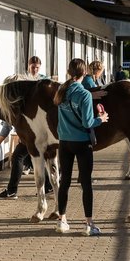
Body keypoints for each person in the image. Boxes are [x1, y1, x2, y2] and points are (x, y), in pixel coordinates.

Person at [54, 58, 106, 236]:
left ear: (69, 72)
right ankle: (88, 224)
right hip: (82, 143)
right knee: (86, 183)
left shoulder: (61, 91)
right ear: (84, 73)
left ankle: (62, 220)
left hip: (64, 143)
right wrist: (101, 119)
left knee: (65, 181)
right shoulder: (83, 94)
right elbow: (87, 122)